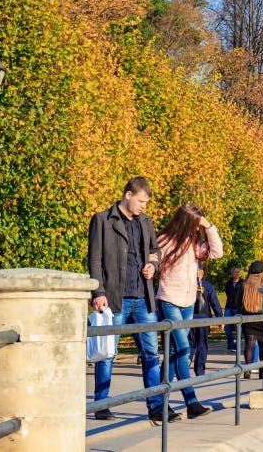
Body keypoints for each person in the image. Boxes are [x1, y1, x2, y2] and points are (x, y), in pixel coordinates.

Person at [88, 177, 177, 423]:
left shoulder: (145, 222)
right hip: (114, 298)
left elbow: (155, 251)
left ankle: (156, 405)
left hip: (143, 297)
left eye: (146, 203)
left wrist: (153, 265)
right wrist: (98, 292)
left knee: (151, 353)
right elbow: (94, 260)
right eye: (141, 201)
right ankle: (102, 404)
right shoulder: (103, 220)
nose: (143, 207)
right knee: (108, 353)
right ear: (128, 195)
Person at [156, 203, 222, 419]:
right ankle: (191, 402)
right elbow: (155, 263)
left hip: (188, 303)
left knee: (175, 353)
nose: (197, 229)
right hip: (169, 300)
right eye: (195, 224)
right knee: (183, 350)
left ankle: (161, 403)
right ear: (186, 222)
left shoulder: (194, 243)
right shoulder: (165, 240)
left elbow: (217, 252)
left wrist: (208, 226)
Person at [189, 267, 222, 377]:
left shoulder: (187, 285)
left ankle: (186, 361)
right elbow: (215, 303)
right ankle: (200, 371)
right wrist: (220, 318)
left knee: (190, 343)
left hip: (190, 319)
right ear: (202, 274)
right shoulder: (208, 286)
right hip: (204, 319)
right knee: (202, 345)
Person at [239, 261, 263, 379]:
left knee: (249, 344)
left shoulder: (244, 284)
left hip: (247, 317)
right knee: (262, 345)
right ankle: (262, 371)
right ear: (262, 272)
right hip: (261, 317)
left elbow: (238, 301)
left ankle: (247, 369)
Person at [224, 266, 244, 351]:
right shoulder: (228, 283)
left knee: (239, 328)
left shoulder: (243, 283)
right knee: (226, 326)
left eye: (238, 272)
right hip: (229, 308)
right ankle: (231, 343)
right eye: (235, 272)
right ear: (232, 273)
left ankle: (237, 345)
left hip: (238, 308)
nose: (237, 274)